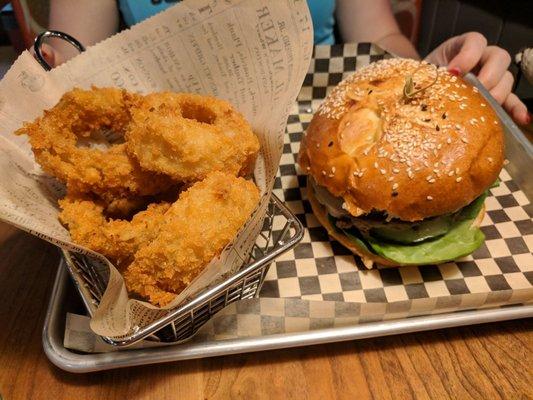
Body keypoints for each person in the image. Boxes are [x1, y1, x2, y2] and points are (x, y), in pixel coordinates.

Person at [41, 0, 529, 125]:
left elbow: (380, 37)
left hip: (325, 121)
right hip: (156, 124)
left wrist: (429, 70)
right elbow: (70, 58)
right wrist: (45, 77)